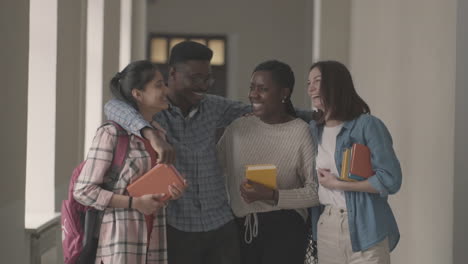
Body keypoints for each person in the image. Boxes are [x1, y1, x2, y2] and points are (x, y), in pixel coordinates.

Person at [104, 41, 251, 264]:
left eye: (207, 78)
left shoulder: (214, 106)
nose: (203, 85)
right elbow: (113, 107)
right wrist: (151, 134)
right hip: (175, 226)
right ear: (172, 73)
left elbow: (260, 110)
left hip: (220, 223)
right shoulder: (154, 112)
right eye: (195, 78)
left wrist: (314, 116)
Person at [73, 60, 186, 264]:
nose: (166, 89)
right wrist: (135, 203)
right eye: (158, 84)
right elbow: (83, 191)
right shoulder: (111, 133)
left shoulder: (160, 134)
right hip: (120, 243)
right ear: (138, 94)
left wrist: (170, 193)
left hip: (154, 240)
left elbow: (150, 191)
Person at [216, 60, 320, 264]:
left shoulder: (300, 132)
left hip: (286, 232)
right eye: (252, 87)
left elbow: (316, 191)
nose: (253, 95)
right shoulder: (237, 128)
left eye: (263, 89)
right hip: (240, 231)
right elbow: (212, 171)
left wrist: (272, 195)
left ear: (284, 93)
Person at [307, 60, 401, 264]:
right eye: (309, 83)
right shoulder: (314, 130)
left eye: (317, 81)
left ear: (335, 84)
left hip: (365, 224)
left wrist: (338, 184)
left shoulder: (367, 126)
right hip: (327, 225)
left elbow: (391, 179)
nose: (311, 88)